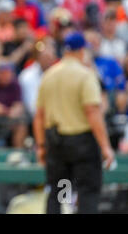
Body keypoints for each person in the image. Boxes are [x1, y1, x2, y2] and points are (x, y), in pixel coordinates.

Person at [33, 32, 115, 214]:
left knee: (58, 192)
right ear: (81, 50)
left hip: (56, 143)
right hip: (82, 143)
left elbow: (39, 115)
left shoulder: (49, 75)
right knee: (87, 191)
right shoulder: (85, 75)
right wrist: (105, 146)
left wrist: (40, 146)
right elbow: (92, 112)